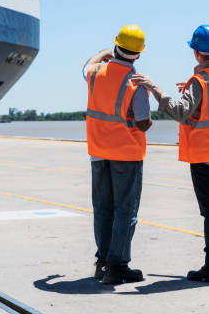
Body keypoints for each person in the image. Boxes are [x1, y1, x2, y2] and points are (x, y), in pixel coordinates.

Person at [131, 24, 209, 283]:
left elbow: (181, 112)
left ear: (196, 53)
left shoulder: (199, 81)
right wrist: (193, 93)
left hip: (206, 156)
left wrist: (154, 88)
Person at [83, 24, 153, 285]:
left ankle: (102, 262)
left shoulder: (95, 73)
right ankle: (118, 266)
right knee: (125, 210)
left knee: (102, 208)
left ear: (115, 47)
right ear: (138, 54)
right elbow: (143, 121)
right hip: (126, 153)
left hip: (98, 151)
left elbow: (86, 67)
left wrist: (102, 54)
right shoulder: (137, 83)